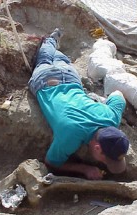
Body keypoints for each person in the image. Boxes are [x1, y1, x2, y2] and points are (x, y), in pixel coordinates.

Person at [28, 28, 129, 180]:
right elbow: (50, 162)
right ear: (97, 148)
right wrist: (84, 169)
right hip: (44, 80)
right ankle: (49, 41)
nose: (106, 163)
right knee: (43, 59)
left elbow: (118, 95)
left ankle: (52, 42)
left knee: (57, 59)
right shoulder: (71, 135)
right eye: (105, 160)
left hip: (70, 76)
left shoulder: (112, 117)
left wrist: (102, 101)